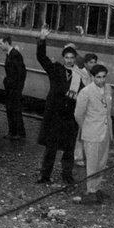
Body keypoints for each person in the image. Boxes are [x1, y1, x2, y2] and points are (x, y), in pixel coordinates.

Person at [36, 27, 86, 184]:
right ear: (63, 58)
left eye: (72, 58)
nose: (69, 60)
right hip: (55, 114)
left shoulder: (80, 75)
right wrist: (42, 39)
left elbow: (83, 94)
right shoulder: (55, 69)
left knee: (69, 149)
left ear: (75, 58)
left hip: (70, 116)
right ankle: (45, 175)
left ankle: (67, 175)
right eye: (67, 57)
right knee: (51, 147)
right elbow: (41, 57)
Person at [74, 64, 113, 204]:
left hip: (105, 133)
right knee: (92, 164)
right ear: (92, 77)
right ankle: (90, 191)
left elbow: (108, 111)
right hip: (92, 133)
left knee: (101, 163)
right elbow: (78, 114)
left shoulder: (108, 89)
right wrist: (86, 127)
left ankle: (97, 188)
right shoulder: (85, 92)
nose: (101, 80)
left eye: (104, 77)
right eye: (98, 77)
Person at [0, 35, 26, 140]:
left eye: (0, 43)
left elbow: (20, 72)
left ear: (6, 43)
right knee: (13, 109)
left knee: (13, 110)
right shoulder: (11, 54)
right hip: (12, 87)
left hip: (14, 88)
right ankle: (15, 132)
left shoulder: (14, 55)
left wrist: (14, 86)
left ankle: (16, 132)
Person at [74, 53, 99, 164]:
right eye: (91, 62)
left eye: (95, 62)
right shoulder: (80, 74)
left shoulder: (93, 76)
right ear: (85, 63)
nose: (93, 65)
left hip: (91, 108)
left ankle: (86, 156)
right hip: (82, 106)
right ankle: (78, 156)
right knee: (80, 132)